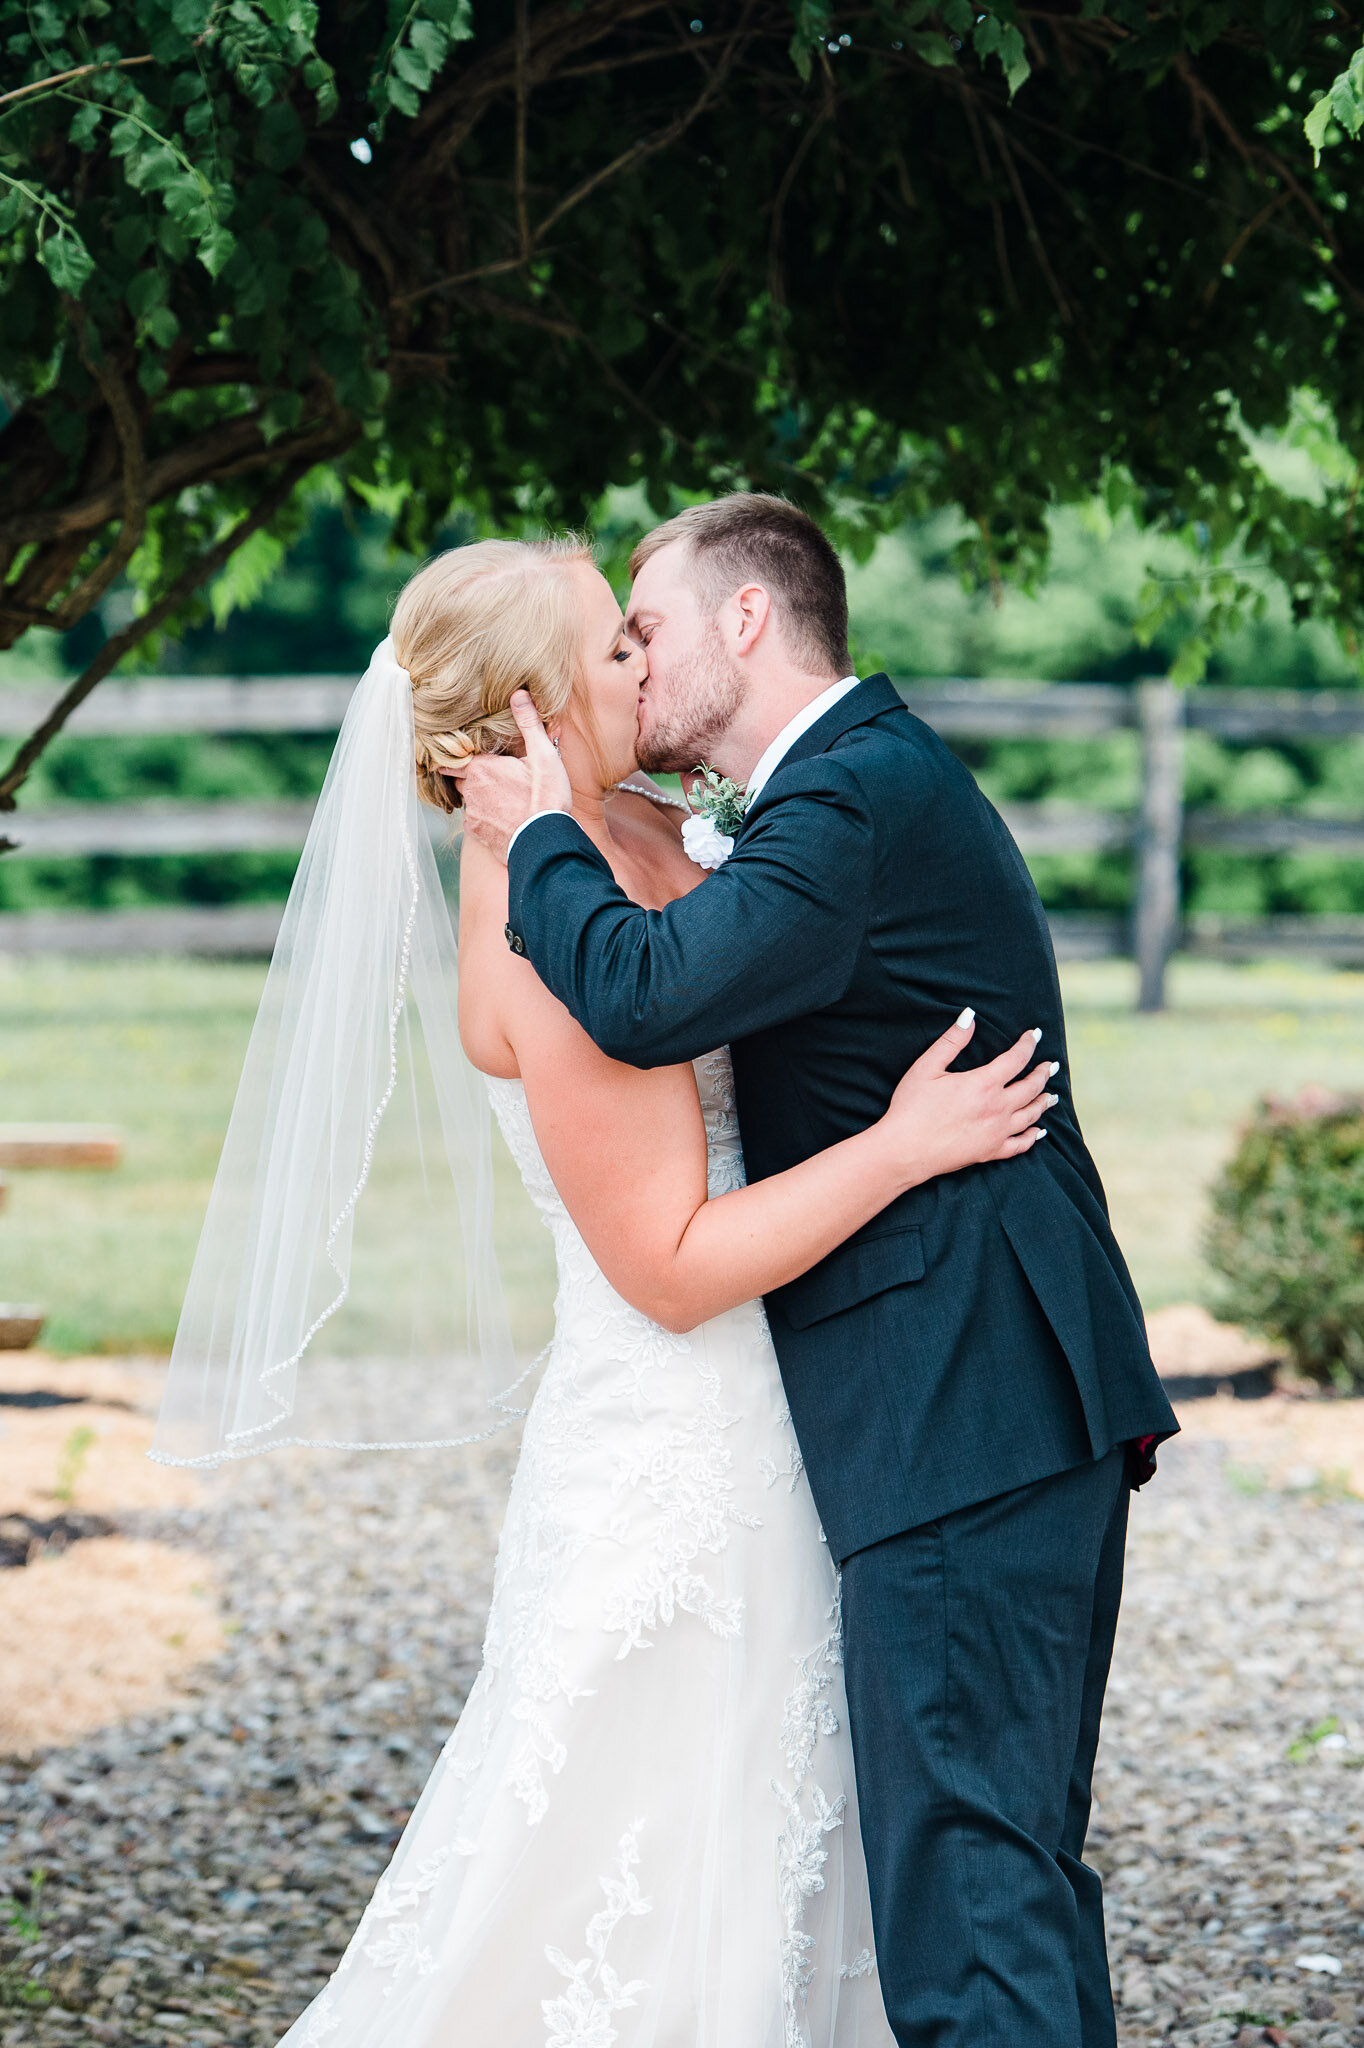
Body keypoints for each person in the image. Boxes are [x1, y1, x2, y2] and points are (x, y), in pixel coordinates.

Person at [185, 536, 1055, 2048]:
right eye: (612, 651)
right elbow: (668, 1265)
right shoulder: (534, 918)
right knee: (655, 1861)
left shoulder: (648, 826)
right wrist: (905, 1148)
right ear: (526, 714)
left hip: (801, 1408)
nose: (643, 668)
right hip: (689, 1449)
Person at [454, 496, 1180, 2048]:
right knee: (1007, 1872)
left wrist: (540, 840)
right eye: (612, 651)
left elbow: (648, 999)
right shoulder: (847, 788)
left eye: (647, 633)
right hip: (990, 1394)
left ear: (745, 624)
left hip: (960, 1400)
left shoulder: (845, 802)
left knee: (978, 1900)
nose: (636, 673)